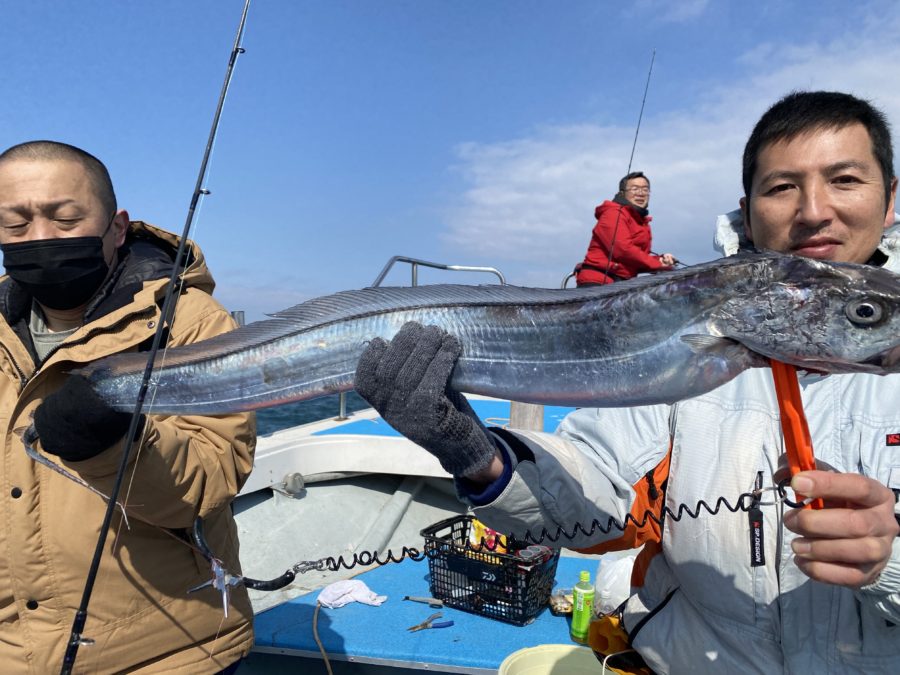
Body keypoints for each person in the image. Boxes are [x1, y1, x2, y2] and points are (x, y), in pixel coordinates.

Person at [355, 91, 900, 673]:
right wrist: (476, 455)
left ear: (890, 199)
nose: (814, 209)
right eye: (782, 186)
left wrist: (888, 561)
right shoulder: (688, 357)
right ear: (749, 208)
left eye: (844, 179)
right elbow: (594, 499)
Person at [0, 141, 255, 673]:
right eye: (16, 224)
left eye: (65, 218)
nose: (41, 237)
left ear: (116, 228)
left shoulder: (192, 323)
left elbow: (211, 481)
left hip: (167, 653)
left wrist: (112, 442)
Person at [575, 171, 676, 286]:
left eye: (645, 189)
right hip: (597, 283)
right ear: (622, 193)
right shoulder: (613, 213)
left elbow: (635, 260)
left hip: (620, 285)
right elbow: (623, 250)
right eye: (634, 189)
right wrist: (656, 264)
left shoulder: (641, 222)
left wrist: (660, 260)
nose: (640, 193)